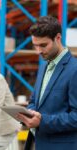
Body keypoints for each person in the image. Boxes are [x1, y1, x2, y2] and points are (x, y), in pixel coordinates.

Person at [17, 16, 77, 150]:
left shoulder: (74, 70)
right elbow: (35, 100)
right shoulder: (44, 66)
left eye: (43, 45)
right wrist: (29, 114)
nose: (38, 51)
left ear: (58, 38)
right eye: (35, 45)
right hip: (39, 142)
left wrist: (42, 121)